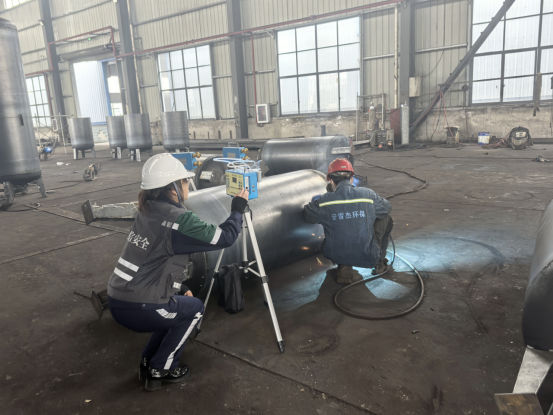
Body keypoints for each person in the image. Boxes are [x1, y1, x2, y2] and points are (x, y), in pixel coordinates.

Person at [107, 153, 248, 392]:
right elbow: (225, 237)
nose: (187, 185)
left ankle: (147, 362)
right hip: (141, 308)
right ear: (173, 187)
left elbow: (152, 260)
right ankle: (162, 368)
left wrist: (179, 287)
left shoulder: (146, 211)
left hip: (117, 301)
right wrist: (237, 210)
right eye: (184, 181)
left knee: (175, 307)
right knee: (195, 310)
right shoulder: (178, 219)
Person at [303, 158, 393, 284]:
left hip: (335, 255)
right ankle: (378, 263)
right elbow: (387, 208)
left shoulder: (325, 201)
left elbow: (308, 216)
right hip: (368, 255)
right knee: (386, 218)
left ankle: (344, 265)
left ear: (331, 181)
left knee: (331, 225)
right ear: (351, 178)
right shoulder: (367, 194)